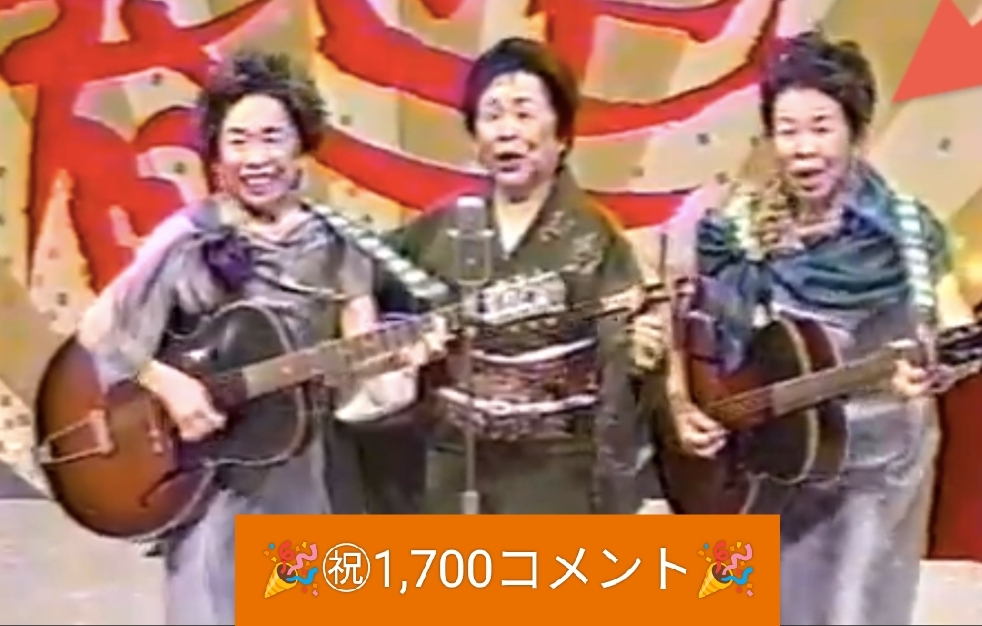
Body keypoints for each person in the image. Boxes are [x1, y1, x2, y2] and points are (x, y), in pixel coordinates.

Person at [76, 50, 445, 625]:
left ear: (301, 146)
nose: (256, 158)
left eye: (272, 138)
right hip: (209, 485)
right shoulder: (187, 237)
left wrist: (403, 364)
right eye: (238, 141)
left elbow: (360, 367)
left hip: (305, 482)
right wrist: (167, 384)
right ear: (216, 154)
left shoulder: (338, 243)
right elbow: (99, 330)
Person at [630, 31, 975, 624]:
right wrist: (681, 405)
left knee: (845, 612)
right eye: (788, 130)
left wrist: (940, 368)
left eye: (821, 127)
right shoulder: (737, 226)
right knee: (738, 603)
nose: (804, 149)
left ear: (856, 132)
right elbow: (686, 317)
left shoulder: (903, 232)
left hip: (873, 459)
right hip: (766, 454)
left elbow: (954, 326)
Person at [369, 37, 660, 515]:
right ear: (475, 136)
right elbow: (363, 276)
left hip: (556, 476)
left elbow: (620, 378)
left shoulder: (593, 237)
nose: (507, 131)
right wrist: (401, 351)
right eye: (492, 115)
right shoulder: (443, 229)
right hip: (452, 466)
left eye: (524, 113)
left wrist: (627, 491)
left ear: (561, 134)